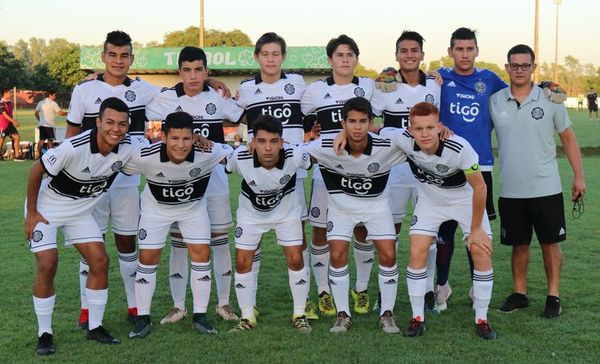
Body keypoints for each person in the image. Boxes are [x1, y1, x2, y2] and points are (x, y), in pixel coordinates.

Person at [24, 97, 136, 355]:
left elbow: (164, 144)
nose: (115, 129)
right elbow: (35, 169)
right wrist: (31, 212)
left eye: (122, 124)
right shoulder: (73, 147)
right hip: (46, 210)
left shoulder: (127, 148)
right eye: (109, 122)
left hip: (80, 213)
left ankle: (95, 327)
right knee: (47, 263)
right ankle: (44, 333)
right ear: (97, 122)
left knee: (99, 261)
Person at [66, 30, 161, 329]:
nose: (119, 61)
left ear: (132, 59)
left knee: (126, 241)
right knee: (91, 241)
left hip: (125, 181)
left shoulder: (144, 91)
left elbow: (184, 90)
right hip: (89, 180)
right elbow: (70, 135)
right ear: (103, 56)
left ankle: (134, 305)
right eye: (113, 54)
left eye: (124, 56)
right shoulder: (83, 90)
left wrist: (210, 82)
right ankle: (85, 309)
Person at [379, 102, 496, 340]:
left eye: (430, 127)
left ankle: (482, 319)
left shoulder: (459, 147)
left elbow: (480, 187)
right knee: (417, 251)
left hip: (465, 200)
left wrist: (476, 229)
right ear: (410, 129)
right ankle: (417, 317)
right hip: (431, 201)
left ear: (439, 126)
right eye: (419, 128)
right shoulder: (402, 139)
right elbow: (377, 130)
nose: (424, 133)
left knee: (481, 251)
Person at [145, 46, 244, 324]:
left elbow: (244, 115)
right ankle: (179, 306)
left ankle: (223, 304)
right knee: (180, 242)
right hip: (180, 181)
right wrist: (95, 78)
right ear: (179, 72)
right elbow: (129, 103)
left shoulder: (217, 96)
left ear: (206, 71)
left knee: (219, 241)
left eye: (198, 70)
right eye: (187, 70)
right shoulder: (164, 98)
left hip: (214, 180)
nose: (192, 76)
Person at [491, 44, 586, 318]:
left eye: (525, 65)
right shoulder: (496, 100)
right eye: (514, 65)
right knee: (518, 245)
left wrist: (579, 177)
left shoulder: (550, 98)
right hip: (511, 188)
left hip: (546, 187)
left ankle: (553, 296)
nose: (519, 70)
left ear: (534, 67)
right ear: (507, 68)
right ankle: (519, 294)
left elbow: (568, 138)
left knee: (550, 244)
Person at [126, 112, 232, 338]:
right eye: (174, 138)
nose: (180, 145)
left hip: (192, 210)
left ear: (194, 138)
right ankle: (142, 318)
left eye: (186, 138)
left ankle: (200, 316)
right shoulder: (145, 155)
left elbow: (237, 156)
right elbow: (117, 160)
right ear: (164, 137)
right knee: (148, 258)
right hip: (156, 210)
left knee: (201, 255)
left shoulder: (208, 151)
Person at [304, 97, 405, 334]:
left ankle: (387, 314)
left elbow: (416, 139)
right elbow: (296, 155)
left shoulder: (386, 145)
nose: (357, 127)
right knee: (337, 254)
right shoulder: (325, 146)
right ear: (343, 123)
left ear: (371, 122)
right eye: (352, 121)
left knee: (389, 255)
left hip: (376, 207)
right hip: (341, 209)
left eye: (363, 121)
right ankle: (343, 314)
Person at [236, 32, 317, 319]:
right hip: (259, 170)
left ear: (283, 56)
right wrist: (212, 83)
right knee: (251, 239)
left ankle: (303, 301)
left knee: (298, 236)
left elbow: (315, 108)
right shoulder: (246, 89)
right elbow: (231, 115)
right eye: (265, 54)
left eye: (276, 54)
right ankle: (249, 303)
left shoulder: (296, 83)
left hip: (292, 168)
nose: (270, 59)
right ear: (256, 57)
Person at [432, 28, 507, 310]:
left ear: (477, 51)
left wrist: (546, 84)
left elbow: (517, 91)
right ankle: (442, 287)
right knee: (444, 233)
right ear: (450, 51)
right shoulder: (439, 78)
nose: (465, 54)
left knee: (476, 231)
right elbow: (410, 81)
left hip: (480, 165)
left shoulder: (489, 79)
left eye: (469, 49)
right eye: (459, 49)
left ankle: (477, 287)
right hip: (445, 165)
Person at [301, 35, 376, 316]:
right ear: (330, 59)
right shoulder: (316, 90)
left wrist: (432, 75)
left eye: (350, 55)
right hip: (326, 171)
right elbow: (301, 117)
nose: (345, 60)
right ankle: (323, 292)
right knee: (320, 231)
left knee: (362, 229)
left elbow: (398, 88)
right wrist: (313, 128)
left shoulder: (368, 86)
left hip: (361, 169)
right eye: (340, 55)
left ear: (356, 59)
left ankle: (362, 289)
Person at [369, 30, 441, 312]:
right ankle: (384, 293)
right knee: (390, 231)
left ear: (422, 54)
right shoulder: (384, 86)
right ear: (396, 55)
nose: (409, 55)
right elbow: (370, 119)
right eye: (404, 51)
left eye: (414, 50)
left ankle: (427, 293)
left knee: (429, 232)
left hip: (427, 168)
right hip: (395, 169)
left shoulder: (435, 85)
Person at [226, 115, 313, 333]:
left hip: (286, 214)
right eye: (262, 141)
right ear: (253, 142)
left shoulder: (295, 156)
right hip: (250, 216)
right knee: (242, 262)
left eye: (273, 142)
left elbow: (318, 153)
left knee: (295, 258)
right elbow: (218, 156)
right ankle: (247, 317)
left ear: (282, 143)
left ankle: (300, 314)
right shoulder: (240, 157)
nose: (267, 148)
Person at [34, 90, 67, 158]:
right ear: (50, 95)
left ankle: (37, 155)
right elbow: (60, 113)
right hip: (50, 125)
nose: (55, 97)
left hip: (42, 125)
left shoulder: (41, 102)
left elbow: (36, 113)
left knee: (41, 140)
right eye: (54, 95)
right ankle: (50, 156)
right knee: (50, 140)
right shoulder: (53, 103)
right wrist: (68, 113)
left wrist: (39, 120)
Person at [0, 88, 25, 161]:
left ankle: (17, 156)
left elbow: (9, 113)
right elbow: (4, 114)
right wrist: (14, 121)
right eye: (10, 93)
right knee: (1, 140)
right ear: (5, 93)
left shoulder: (10, 102)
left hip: (10, 124)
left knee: (17, 137)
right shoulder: (1, 103)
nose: (11, 94)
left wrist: (12, 121)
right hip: (2, 125)